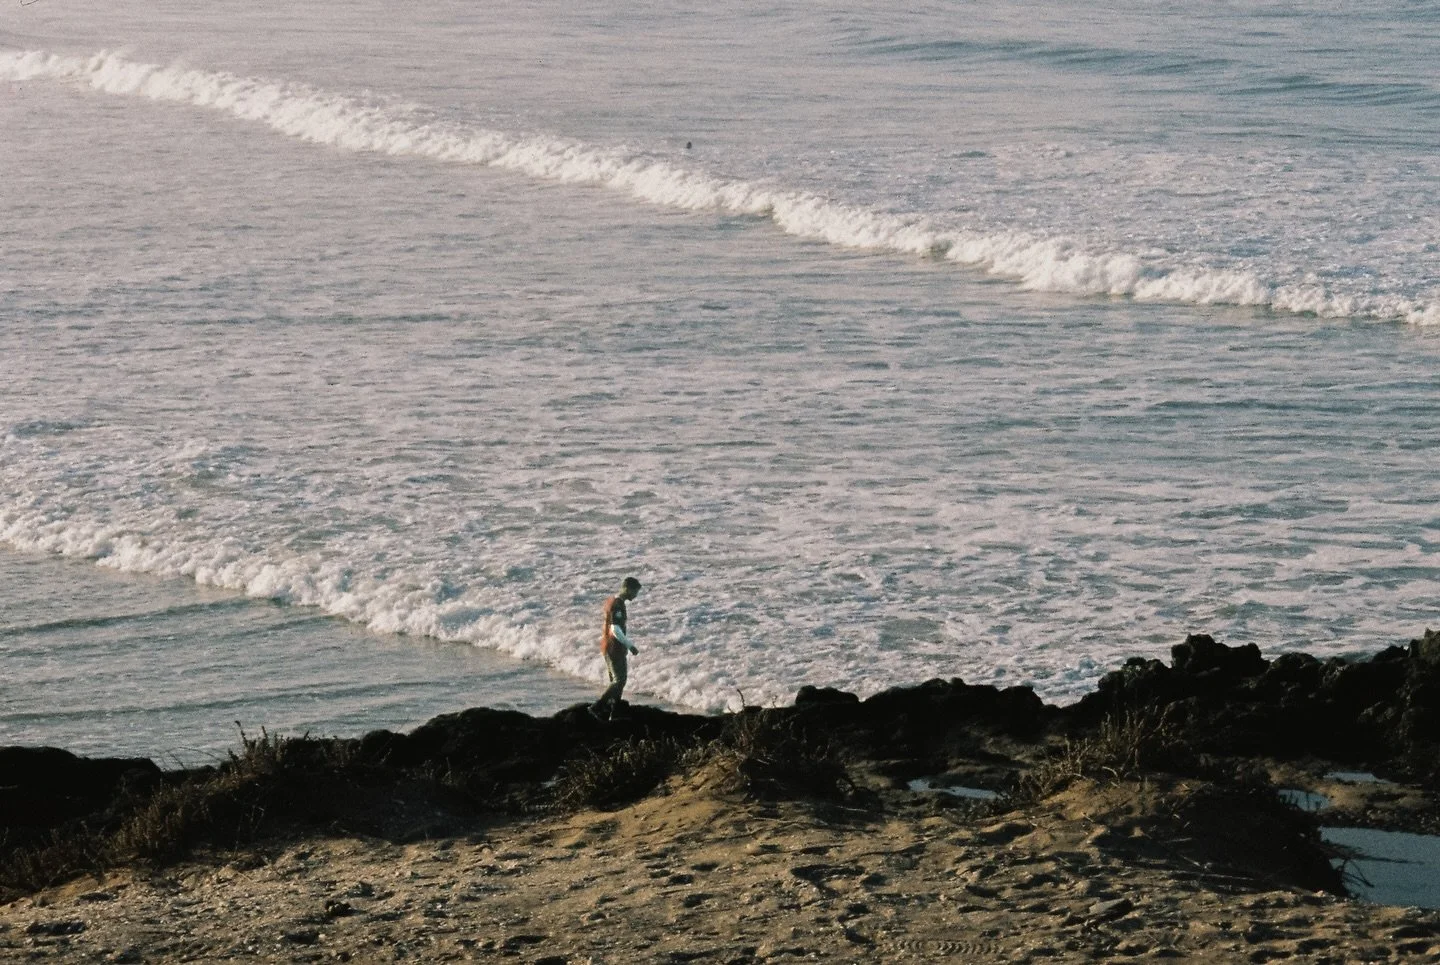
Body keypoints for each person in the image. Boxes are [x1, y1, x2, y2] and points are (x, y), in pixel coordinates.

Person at [591, 576, 641, 720]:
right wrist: (630, 646)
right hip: (614, 648)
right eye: (635, 592)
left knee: (616, 680)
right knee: (619, 680)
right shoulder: (617, 604)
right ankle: (598, 706)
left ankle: (614, 711)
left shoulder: (611, 600)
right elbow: (615, 629)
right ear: (627, 589)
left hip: (608, 646)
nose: (635, 596)